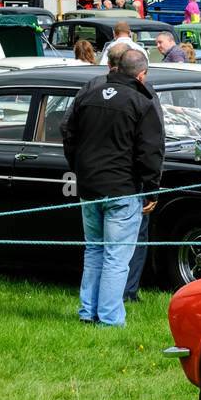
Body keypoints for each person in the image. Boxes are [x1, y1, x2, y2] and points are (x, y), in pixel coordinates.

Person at [62, 49, 162, 327]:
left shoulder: (89, 95)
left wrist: (79, 169)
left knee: (94, 251)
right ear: (142, 75)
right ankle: (109, 318)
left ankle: (88, 312)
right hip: (123, 189)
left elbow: (68, 133)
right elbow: (151, 151)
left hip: (89, 186)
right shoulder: (143, 102)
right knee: (117, 257)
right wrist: (152, 189)